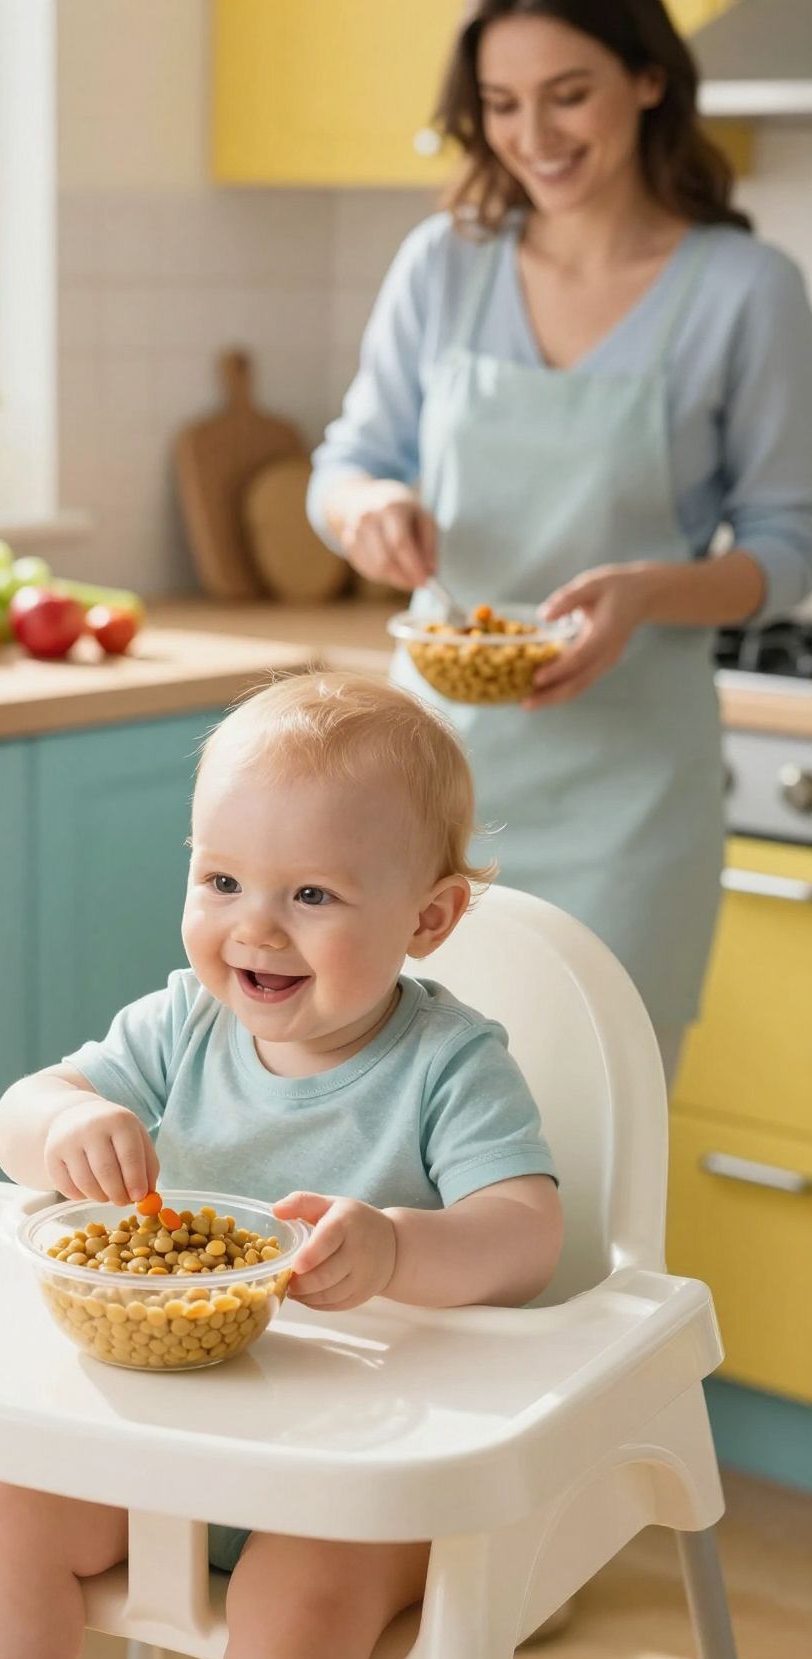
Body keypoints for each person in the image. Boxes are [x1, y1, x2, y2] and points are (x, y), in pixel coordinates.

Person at [0, 672, 563, 1659]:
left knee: (300, 1603)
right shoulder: (180, 1028)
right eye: (222, 879)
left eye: (313, 895)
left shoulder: (450, 1064)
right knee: (14, 1515)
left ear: (429, 918)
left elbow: (525, 1228)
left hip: (357, 1464)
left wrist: (405, 1248)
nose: (256, 926)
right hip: (165, 1435)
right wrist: (54, 1126)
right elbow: (28, 1105)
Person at [309, 0, 812, 1082]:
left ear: (647, 82)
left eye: (568, 94)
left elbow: (790, 547)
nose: (533, 134)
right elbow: (346, 461)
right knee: (399, 1135)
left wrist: (647, 594)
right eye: (501, 104)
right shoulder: (444, 264)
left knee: (587, 1145)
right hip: (427, 786)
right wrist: (367, 508)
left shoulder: (745, 289)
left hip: (631, 798)